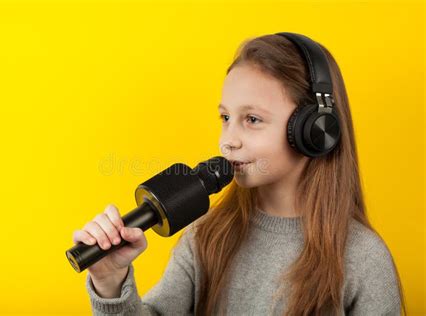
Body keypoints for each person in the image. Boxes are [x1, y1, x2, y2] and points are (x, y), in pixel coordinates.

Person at [72, 33, 406, 315]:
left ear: (316, 131)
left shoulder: (363, 259)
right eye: (225, 117)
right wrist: (110, 282)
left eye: (252, 120)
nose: (228, 141)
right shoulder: (205, 238)